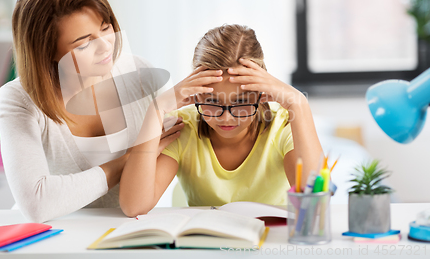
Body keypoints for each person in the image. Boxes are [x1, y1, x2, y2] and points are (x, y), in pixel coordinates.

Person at [0, 0, 180, 223]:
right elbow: (37, 204)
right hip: (51, 236)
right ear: (47, 51)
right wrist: (135, 157)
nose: (105, 46)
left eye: (105, 28)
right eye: (83, 43)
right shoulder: (19, 99)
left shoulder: (140, 74)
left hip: (123, 232)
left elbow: (188, 140)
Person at [119, 24, 324, 217]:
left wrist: (299, 104)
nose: (227, 117)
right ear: (196, 95)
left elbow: (314, 204)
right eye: (212, 102)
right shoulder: (183, 127)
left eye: (241, 102)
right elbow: (134, 206)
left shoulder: (283, 125)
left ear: (260, 93)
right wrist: (156, 109)